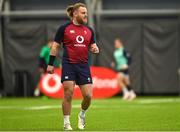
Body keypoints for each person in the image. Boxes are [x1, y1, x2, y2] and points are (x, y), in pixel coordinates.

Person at [46, 3, 99, 130]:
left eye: (86, 13)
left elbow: (93, 46)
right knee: (68, 93)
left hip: (83, 66)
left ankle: (82, 115)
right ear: (75, 14)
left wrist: (95, 48)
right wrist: (50, 63)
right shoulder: (64, 29)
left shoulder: (89, 30)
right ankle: (66, 123)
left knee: (88, 96)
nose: (86, 15)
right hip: (68, 64)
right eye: (83, 12)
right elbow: (55, 46)